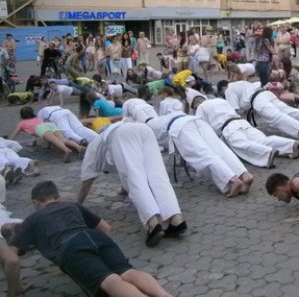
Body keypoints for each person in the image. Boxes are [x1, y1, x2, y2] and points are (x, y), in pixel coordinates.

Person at [8, 181, 175, 296]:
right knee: (127, 271)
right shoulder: (72, 205)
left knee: (110, 280)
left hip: (70, 248)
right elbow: (106, 228)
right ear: (58, 197)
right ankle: (164, 295)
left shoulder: (31, 220)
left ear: (35, 202)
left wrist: (14, 288)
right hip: (96, 238)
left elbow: (12, 258)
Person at [78, 119, 187, 247]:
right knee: (158, 176)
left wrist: (77, 204)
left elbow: (86, 181)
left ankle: (153, 224)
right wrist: (122, 190)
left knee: (135, 179)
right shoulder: (112, 131)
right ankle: (176, 219)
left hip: (122, 134)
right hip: (144, 128)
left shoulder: (94, 145)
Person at [145, 111, 254, 197]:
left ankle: (232, 180)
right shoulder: (162, 118)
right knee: (221, 150)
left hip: (180, 127)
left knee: (204, 155)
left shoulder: (146, 127)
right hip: (196, 120)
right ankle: (245, 175)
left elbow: (154, 151)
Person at [194, 96, 299, 168]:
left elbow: (202, 127)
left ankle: (267, 153)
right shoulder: (221, 100)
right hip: (241, 122)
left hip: (228, 127)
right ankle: (290, 145)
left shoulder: (201, 107)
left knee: (241, 144)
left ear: (197, 104)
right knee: (262, 140)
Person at [222, 80, 299, 141]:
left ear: (222, 88)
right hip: (266, 93)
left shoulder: (228, 90)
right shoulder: (241, 83)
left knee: (274, 116)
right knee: (287, 110)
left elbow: (234, 110)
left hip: (257, 100)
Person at [7, 106, 84, 162]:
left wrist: (7, 142)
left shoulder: (21, 123)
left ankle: (66, 150)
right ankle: (79, 147)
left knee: (55, 141)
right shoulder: (37, 118)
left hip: (40, 128)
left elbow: (13, 136)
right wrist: (47, 145)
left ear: (21, 115)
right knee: (62, 140)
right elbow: (46, 135)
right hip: (50, 124)